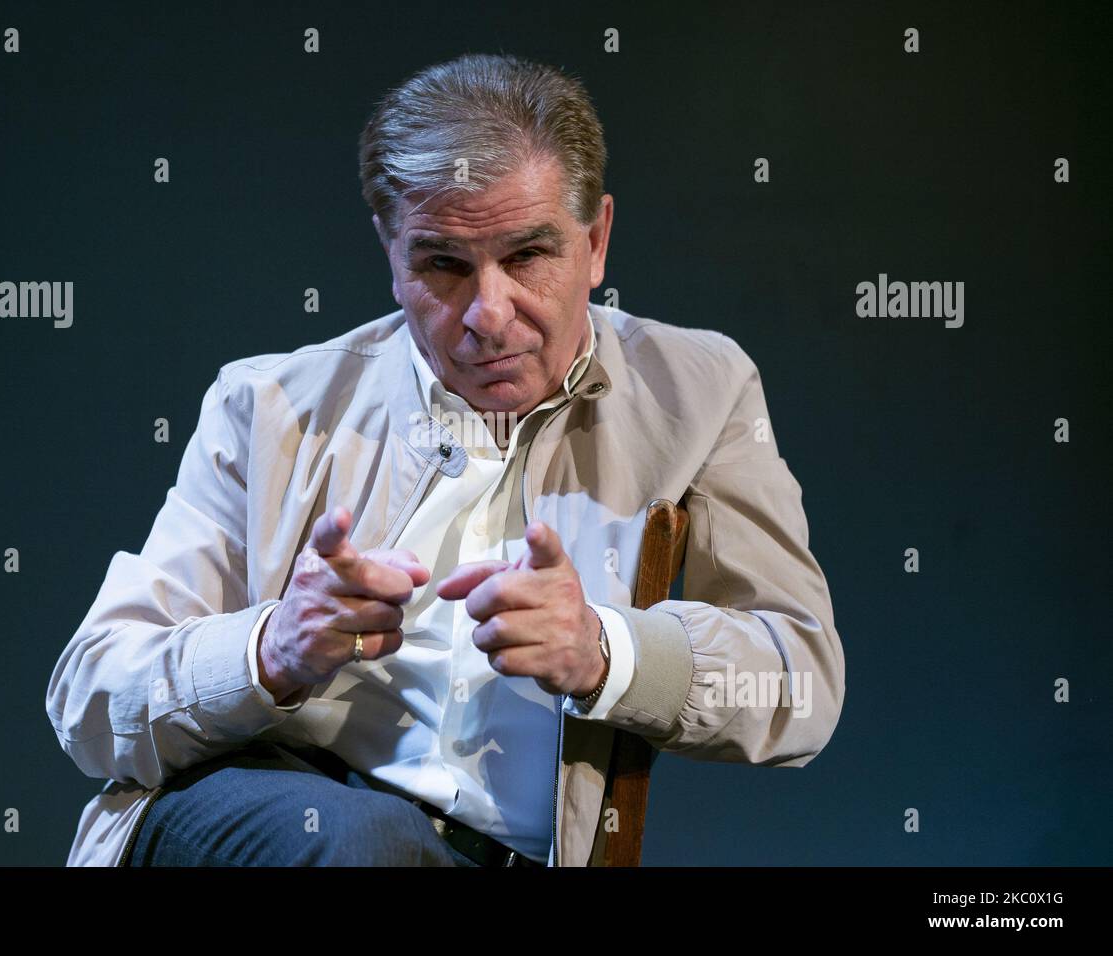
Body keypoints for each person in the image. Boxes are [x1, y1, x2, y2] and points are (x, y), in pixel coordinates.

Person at [45, 52, 845, 868]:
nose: (489, 315)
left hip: (490, 855)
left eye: (529, 256)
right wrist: (271, 649)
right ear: (390, 255)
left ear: (597, 242)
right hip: (260, 810)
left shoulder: (699, 391)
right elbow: (91, 697)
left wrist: (607, 651)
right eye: (443, 266)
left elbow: (801, 683)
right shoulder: (272, 405)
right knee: (369, 845)